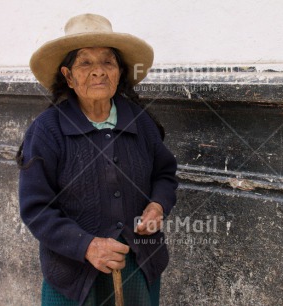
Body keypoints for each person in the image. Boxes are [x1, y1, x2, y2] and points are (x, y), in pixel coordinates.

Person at [17, 14, 178, 306]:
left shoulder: (140, 122)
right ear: (68, 76)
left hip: (138, 264)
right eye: (85, 63)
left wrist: (157, 205)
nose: (98, 72)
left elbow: (164, 175)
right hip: (72, 273)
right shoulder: (48, 130)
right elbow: (36, 208)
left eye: (107, 62)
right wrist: (87, 245)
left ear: (119, 72)